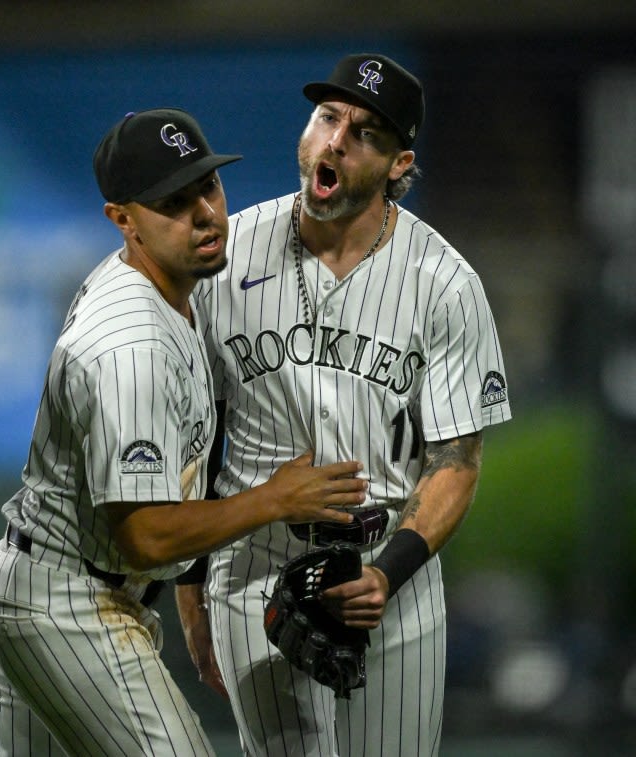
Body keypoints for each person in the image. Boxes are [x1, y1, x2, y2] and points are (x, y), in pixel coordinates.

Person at [0, 108, 370, 756]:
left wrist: (189, 597)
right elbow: (145, 534)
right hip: (65, 605)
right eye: (174, 202)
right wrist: (274, 498)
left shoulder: (164, 286)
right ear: (123, 219)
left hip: (39, 585)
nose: (205, 211)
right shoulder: (133, 343)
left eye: (208, 185)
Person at [177, 53, 513, 756]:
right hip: (255, 571)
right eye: (327, 116)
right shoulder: (227, 257)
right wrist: (191, 586)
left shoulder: (444, 283)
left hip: (388, 575)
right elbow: (195, 439)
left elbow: (457, 459)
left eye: (363, 132)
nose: (335, 139)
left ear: (399, 163)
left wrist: (387, 573)